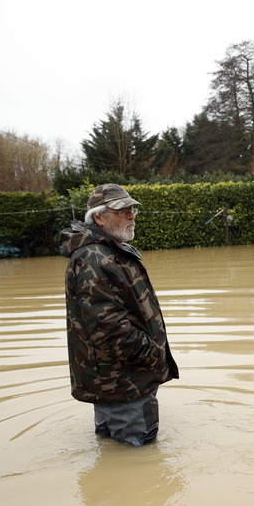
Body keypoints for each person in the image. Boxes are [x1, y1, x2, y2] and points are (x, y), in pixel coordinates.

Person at [60, 184, 179, 446]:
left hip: (112, 379)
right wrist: (151, 355)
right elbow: (109, 327)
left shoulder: (106, 250)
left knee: (112, 448)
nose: (132, 215)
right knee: (139, 459)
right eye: (122, 210)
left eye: (132, 209)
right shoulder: (96, 258)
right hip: (126, 380)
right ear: (99, 218)